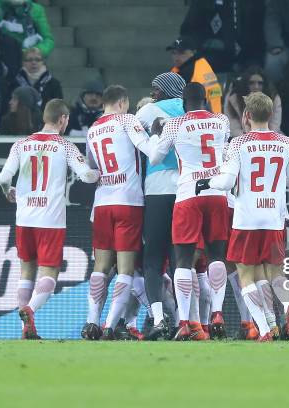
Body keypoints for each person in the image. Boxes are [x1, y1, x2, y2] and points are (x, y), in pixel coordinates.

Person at [196, 92, 289, 342]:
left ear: (246, 116)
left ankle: (265, 330)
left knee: (247, 275)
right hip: (274, 218)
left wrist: (207, 181)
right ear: (270, 115)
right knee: (275, 272)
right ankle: (288, 308)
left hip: (247, 218)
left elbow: (226, 181)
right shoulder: (286, 142)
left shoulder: (238, 143)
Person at [0, 98, 100, 340]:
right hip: (50, 221)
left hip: (24, 219)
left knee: (26, 272)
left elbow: (4, 177)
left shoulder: (21, 144)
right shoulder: (64, 146)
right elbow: (85, 176)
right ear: (63, 119)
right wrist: (101, 172)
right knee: (49, 277)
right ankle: (30, 311)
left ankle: (26, 328)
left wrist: (7, 191)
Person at [150, 82, 230, 341]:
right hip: (217, 193)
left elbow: (155, 158)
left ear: (184, 103)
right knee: (217, 257)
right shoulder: (221, 121)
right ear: (205, 100)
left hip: (188, 195)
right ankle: (217, 313)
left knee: (183, 259)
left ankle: (184, 321)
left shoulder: (175, 124)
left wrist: (155, 134)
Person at [81, 85, 159, 341]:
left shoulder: (92, 129)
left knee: (101, 266)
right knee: (125, 269)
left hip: (102, 203)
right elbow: (148, 149)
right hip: (129, 202)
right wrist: (158, 135)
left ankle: (91, 322)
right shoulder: (128, 120)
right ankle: (110, 326)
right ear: (124, 102)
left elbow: (91, 170)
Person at [134, 72, 187, 340]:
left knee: (153, 258)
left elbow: (131, 134)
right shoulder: (190, 109)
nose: (152, 92)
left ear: (165, 89)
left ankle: (158, 320)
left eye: (155, 88)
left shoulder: (148, 111)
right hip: (186, 190)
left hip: (156, 190)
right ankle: (184, 321)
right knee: (181, 259)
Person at [179, 0, 265, 72]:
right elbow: (189, 30)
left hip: (249, 54)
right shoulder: (204, 2)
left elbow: (260, 31)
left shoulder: (254, 3)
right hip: (214, 53)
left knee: (256, 73)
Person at [167, 36, 223, 113]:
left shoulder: (195, 69)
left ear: (192, 53)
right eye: (174, 53)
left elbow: (213, 95)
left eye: (181, 53)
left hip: (202, 116)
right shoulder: (180, 69)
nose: (176, 57)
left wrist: (215, 116)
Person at [224, 66, 281, 138]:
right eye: (251, 83)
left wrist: (264, 138)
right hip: (240, 138)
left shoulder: (273, 97)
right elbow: (232, 125)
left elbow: (275, 124)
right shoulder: (233, 97)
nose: (256, 87)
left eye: (260, 83)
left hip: (270, 138)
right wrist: (249, 139)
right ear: (245, 83)